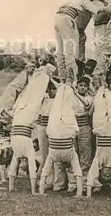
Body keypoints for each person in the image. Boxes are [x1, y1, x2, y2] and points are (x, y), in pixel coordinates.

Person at [0, 63, 35, 190]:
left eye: (5, 154)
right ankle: (28, 75)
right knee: (21, 96)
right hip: (3, 118)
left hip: (0, 114)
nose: (5, 153)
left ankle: (26, 72)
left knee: (13, 91)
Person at [8, 64, 56, 195]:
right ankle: (43, 74)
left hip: (18, 127)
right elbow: (31, 166)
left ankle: (41, 74)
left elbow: (14, 168)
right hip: (20, 125)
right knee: (33, 95)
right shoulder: (26, 151)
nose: (22, 166)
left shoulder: (18, 152)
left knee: (31, 94)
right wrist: (34, 191)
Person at [39, 69, 83, 197]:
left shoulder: (53, 156)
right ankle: (67, 83)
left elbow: (44, 173)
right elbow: (78, 173)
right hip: (60, 132)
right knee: (65, 105)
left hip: (55, 133)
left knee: (60, 104)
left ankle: (66, 84)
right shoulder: (71, 156)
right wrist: (79, 194)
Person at [55, 0, 111, 82]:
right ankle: (72, 81)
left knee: (61, 52)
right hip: (68, 19)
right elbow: (98, 10)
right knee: (70, 53)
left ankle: (62, 78)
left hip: (58, 19)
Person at [87, 72, 111, 198]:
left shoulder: (98, 161)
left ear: (101, 172)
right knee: (107, 101)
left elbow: (90, 177)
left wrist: (88, 194)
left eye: (105, 175)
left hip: (102, 129)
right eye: (109, 175)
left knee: (101, 99)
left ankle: (101, 85)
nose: (108, 173)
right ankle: (103, 87)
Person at [36, 77, 60, 190]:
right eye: (49, 89)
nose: (51, 91)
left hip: (54, 127)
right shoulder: (43, 99)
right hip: (42, 126)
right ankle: (45, 179)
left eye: (53, 89)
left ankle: (55, 181)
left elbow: (60, 89)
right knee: (44, 154)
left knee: (54, 154)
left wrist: (52, 79)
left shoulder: (59, 99)